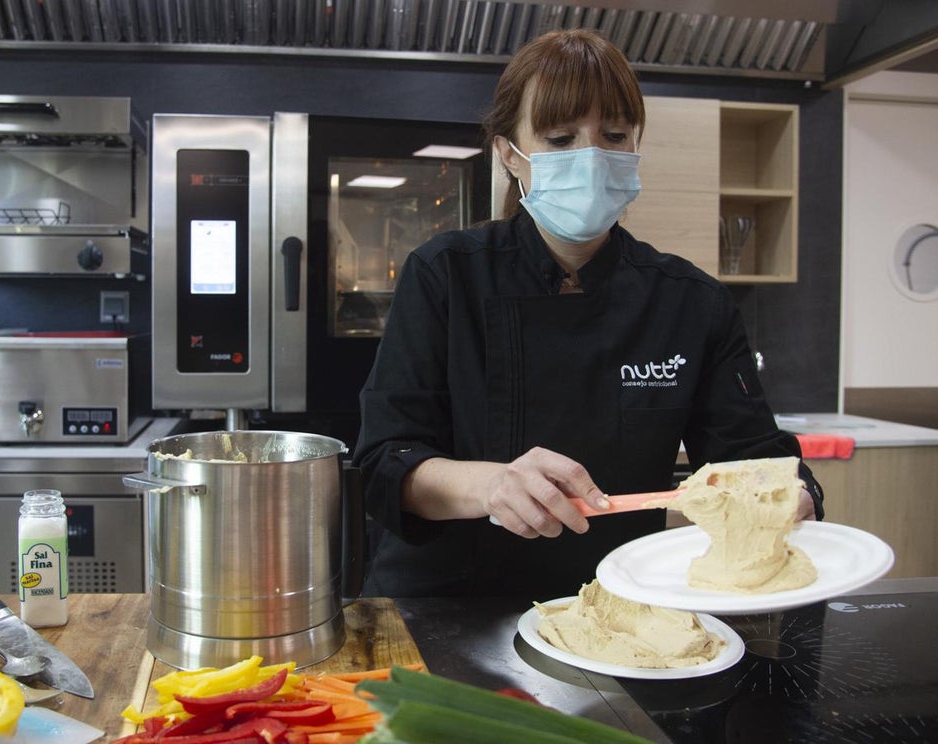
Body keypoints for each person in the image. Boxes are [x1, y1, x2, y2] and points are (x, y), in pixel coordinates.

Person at [352, 29, 824, 599]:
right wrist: (493, 485)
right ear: (510, 155)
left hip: (616, 604)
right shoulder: (444, 275)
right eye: (560, 137)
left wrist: (793, 494)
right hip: (447, 606)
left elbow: (752, 460)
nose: (592, 157)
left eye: (614, 135)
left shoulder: (691, 302)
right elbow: (385, 465)